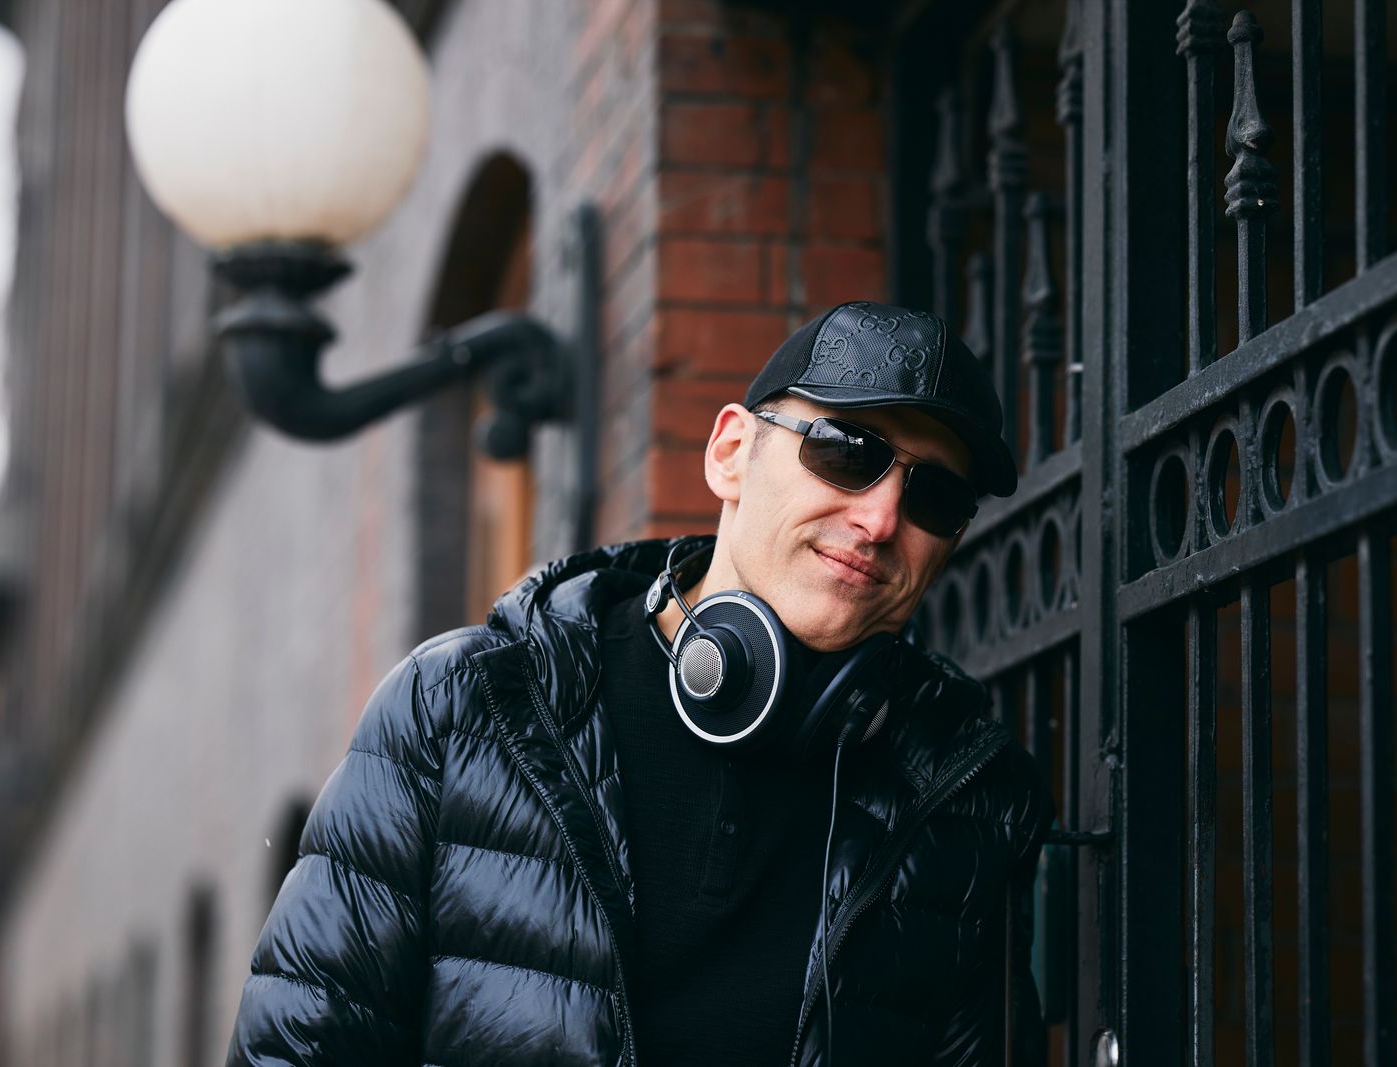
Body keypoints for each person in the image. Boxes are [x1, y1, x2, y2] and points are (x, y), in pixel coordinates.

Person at [226, 300, 1053, 1067]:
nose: (880, 519)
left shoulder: (969, 800)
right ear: (729, 453)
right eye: (846, 452)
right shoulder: (462, 706)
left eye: (936, 496)